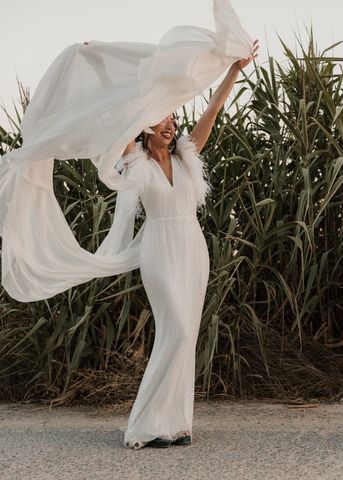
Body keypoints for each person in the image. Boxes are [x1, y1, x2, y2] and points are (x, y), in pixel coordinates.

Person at [117, 41, 258, 448]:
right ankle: (143, 424)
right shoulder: (136, 160)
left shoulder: (186, 157)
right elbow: (121, 120)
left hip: (193, 249)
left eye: (174, 116)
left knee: (187, 335)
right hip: (159, 248)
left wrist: (234, 69)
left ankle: (177, 423)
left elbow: (212, 110)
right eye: (162, 116)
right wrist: (110, 69)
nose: (171, 123)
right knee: (175, 330)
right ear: (145, 124)